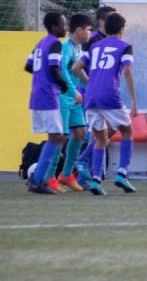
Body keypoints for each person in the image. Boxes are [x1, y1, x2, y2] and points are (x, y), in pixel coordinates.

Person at [71, 13, 138, 195]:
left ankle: (95, 180)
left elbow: (76, 68)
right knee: (127, 131)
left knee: (100, 137)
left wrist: (90, 82)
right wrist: (133, 99)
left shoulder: (94, 46)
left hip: (90, 96)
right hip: (110, 95)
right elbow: (127, 71)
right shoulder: (125, 46)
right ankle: (122, 173)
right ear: (122, 29)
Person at [24, 12, 69, 194]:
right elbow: (53, 68)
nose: (65, 27)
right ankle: (38, 180)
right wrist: (63, 84)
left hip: (37, 94)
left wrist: (40, 77)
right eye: (62, 24)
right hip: (48, 95)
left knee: (55, 136)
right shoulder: (55, 43)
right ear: (54, 27)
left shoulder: (40, 43)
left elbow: (28, 66)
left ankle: (38, 179)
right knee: (56, 136)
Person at [55, 13, 93, 192]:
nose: (90, 34)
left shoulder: (78, 48)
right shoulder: (65, 47)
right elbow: (61, 71)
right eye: (88, 30)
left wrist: (90, 86)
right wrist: (73, 91)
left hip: (74, 97)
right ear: (78, 30)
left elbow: (76, 71)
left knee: (80, 132)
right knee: (61, 136)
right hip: (63, 96)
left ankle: (67, 174)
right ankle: (49, 176)